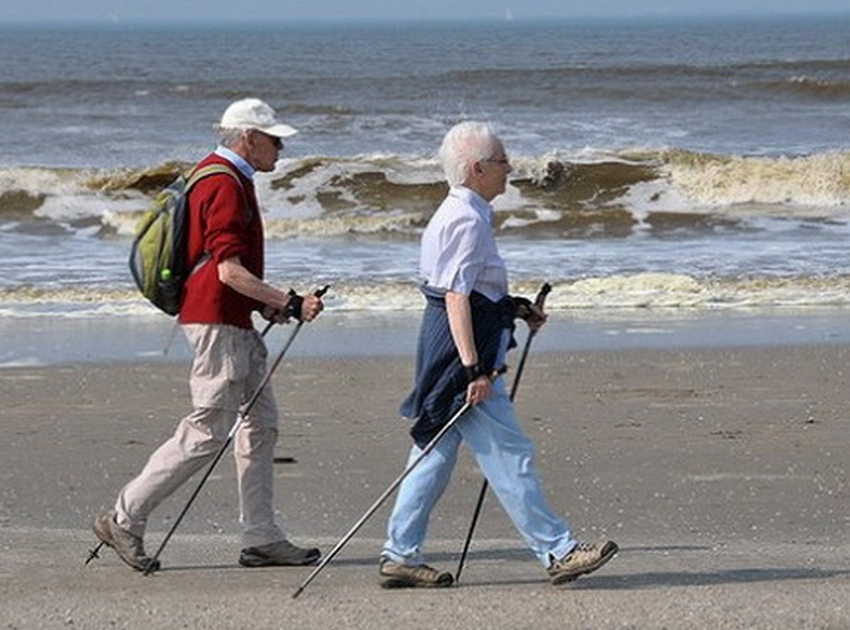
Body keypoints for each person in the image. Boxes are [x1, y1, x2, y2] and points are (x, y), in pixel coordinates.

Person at [379, 121, 617, 588]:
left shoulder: (462, 212)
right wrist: (473, 369)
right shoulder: (465, 219)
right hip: (459, 352)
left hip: (452, 343)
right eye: (503, 160)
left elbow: (474, 290)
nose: (510, 168)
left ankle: (400, 554)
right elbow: (454, 296)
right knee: (510, 453)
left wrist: (516, 308)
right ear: (478, 168)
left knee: (434, 453)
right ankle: (558, 551)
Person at [93, 98, 325, 571]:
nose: (280, 147)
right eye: (273, 139)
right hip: (215, 321)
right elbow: (227, 272)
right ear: (248, 138)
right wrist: (289, 301)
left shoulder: (225, 176)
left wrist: (264, 304)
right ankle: (125, 516)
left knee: (261, 425)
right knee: (206, 431)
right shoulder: (223, 182)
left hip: (231, 319)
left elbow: (225, 270)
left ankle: (261, 537)